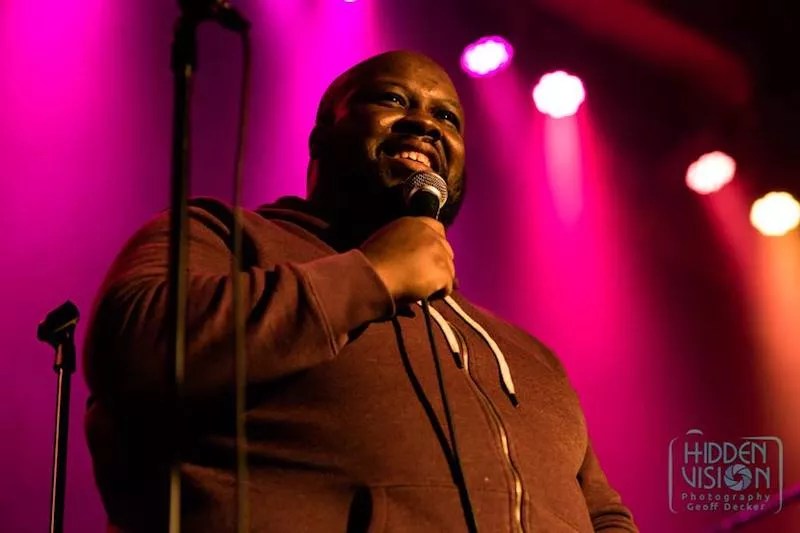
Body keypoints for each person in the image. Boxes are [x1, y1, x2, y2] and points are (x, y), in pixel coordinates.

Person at [84, 50, 638, 532]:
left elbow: (602, 511)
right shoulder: (225, 237)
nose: (424, 124)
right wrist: (371, 276)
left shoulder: (529, 355)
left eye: (446, 116)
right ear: (321, 138)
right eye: (393, 100)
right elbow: (133, 345)